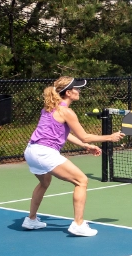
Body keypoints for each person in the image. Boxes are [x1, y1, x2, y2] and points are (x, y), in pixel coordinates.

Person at [22, 77, 125, 236]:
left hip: (31, 151)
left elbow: (65, 134)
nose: (79, 91)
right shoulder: (67, 112)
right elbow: (84, 136)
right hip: (45, 152)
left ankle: (31, 220)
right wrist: (110, 137)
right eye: (77, 89)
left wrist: (86, 146)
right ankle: (78, 224)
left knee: (44, 182)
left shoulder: (49, 107)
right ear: (68, 93)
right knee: (81, 180)